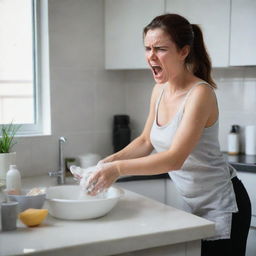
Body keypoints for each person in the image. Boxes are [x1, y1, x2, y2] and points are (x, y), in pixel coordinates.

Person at [86, 14, 251, 255]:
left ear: (184, 51)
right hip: (193, 203)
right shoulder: (159, 90)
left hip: (223, 205)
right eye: (147, 48)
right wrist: (104, 163)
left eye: (160, 49)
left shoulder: (200, 94)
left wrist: (118, 170)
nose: (151, 55)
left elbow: (175, 159)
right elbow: (145, 141)